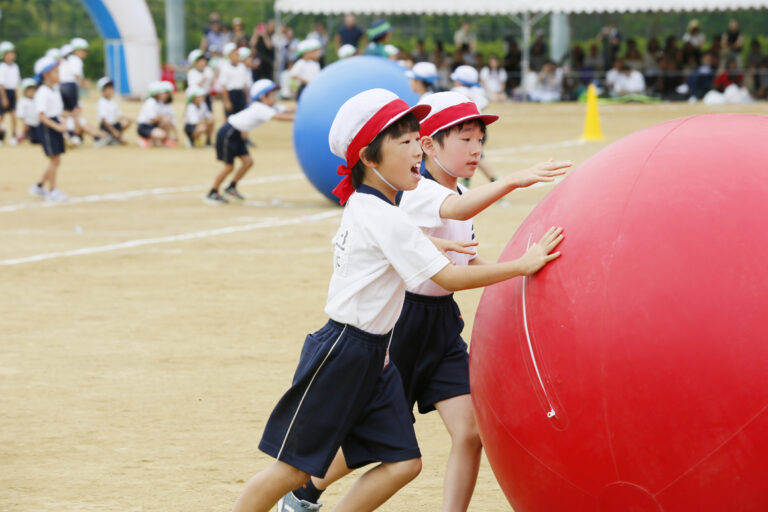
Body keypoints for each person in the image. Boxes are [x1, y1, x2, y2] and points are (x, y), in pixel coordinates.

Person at [234, 87, 564, 512]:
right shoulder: (387, 214)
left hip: (376, 351)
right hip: (343, 349)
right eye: (404, 141)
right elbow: (444, 273)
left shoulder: (377, 208)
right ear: (369, 159)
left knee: (403, 462)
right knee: (294, 470)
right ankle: (299, 498)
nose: (415, 150)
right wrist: (522, 265)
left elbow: (397, 245)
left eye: (415, 138)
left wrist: (427, 244)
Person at [206, 79, 294, 205]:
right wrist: (297, 119)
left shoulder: (266, 107)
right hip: (229, 132)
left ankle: (231, 187)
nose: (275, 97)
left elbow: (285, 109)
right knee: (229, 167)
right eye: (272, 94)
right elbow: (278, 117)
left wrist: (301, 108)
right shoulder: (259, 108)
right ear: (263, 97)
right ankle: (213, 192)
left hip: (238, 133)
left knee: (248, 162)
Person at [29, 56, 68, 201]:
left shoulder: (54, 90)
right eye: (55, 72)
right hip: (47, 127)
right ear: (46, 75)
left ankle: (39, 186)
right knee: (55, 159)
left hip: (55, 124)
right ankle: (52, 190)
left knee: (56, 160)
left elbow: (57, 111)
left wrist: (64, 121)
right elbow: (42, 116)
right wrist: (57, 127)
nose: (59, 74)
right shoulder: (43, 92)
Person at [59, 38, 88, 143]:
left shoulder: (66, 59)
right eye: (83, 50)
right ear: (76, 51)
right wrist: (83, 84)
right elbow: (76, 74)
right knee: (75, 111)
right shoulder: (76, 60)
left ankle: (65, 132)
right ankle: (76, 135)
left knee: (65, 111)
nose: (85, 53)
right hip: (71, 86)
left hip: (62, 85)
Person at [136, 81, 176, 148]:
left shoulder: (162, 103)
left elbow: (172, 121)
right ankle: (145, 138)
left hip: (155, 125)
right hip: (145, 127)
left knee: (167, 120)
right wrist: (162, 117)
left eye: (166, 93)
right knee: (162, 133)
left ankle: (164, 140)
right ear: (156, 94)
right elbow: (152, 119)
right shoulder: (150, 102)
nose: (165, 95)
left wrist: (176, 134)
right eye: (163, 93)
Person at [97, 77, 132, 145]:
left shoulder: (112, 102)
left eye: (111, 88)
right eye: (108, 88)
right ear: (102, 90)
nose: (110, 90)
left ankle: (115, 137)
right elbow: (104, 120)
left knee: (126, 122)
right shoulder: (102, 102)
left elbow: (121, 115)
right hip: (106, 126)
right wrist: (114, 131)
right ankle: (112, 136)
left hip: (113, 124)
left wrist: (132, 120)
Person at [219, 42, 250, 117]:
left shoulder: (242, 67)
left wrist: (247, 98)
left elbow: (245, 85)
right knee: (229, 118)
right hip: (231, 94)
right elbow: (224, 86)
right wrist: (227, 101)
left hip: (240, 94)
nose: (237, 56)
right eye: (234, 53)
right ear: (229, 56)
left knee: (242, 118)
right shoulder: (225, 67)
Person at [0, 41, 21, 146]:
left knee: (13, 115)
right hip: (3, 92)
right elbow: (1, 84)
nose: (12, 55)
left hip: (12, 92)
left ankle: (14, 135)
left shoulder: (15, 67)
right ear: (3, 55)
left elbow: (16, 83)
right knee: (1, 116)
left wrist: (16, 95)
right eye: (9, 53)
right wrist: (4, 98)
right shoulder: (2, 67)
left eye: (13, 53)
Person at [186, 49, 215, 114]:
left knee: (210, 116)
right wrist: (202, 80)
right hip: (196, 99)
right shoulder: (192, 73)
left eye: (203, 60)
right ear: (195, 63)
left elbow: (213, 82)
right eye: (199, 61)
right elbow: (192, 87)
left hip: (207, 97)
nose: (202, 62)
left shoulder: (208, 70)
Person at [16, 78, 39, 144]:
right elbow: (20, 115)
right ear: (25, 91)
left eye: (33, 90)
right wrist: (25, 124)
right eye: (29, 90)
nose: (32, 92)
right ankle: (23, 136)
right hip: (28, 125)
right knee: (34, 140)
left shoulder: (37, 100)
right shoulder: (23, 101)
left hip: (38, 124)